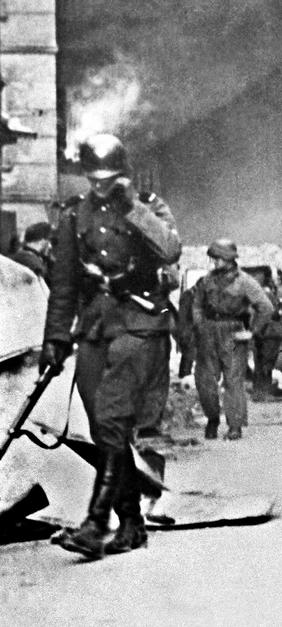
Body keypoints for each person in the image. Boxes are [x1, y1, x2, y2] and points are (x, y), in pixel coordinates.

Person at [39, 133, 182, 558]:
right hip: (97, 326)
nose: (102, 185)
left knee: (113, 416)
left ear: (124, 173)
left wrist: (131, 208)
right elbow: (64, 284)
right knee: (103, 430)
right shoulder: (73, 215)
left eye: (111, 177)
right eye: (95, 178)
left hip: (139, 322)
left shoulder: (148, 206)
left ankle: (96, 521)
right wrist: (56, 337)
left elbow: (170, 250)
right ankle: (132, 522)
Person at [192, 239, 274, 440]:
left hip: (233, 331)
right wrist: (200, 325)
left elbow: (266, 307)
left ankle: (235, 425)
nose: (215, 262)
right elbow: (197, 305)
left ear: (229, 258)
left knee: (233, 380)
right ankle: (212, 418)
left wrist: (252, 332)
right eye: (214, 258)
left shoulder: (245, 281)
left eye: (219, 258)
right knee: (205, 380)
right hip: (209, 331)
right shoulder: (206, 281)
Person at [250, 268, 282, 402]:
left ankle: (261, 391)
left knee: (262, 362)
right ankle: (263, 393)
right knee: (266, 363)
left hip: (266, 332)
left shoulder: (261, 293)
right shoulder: (266, 293)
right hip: (270, 332)